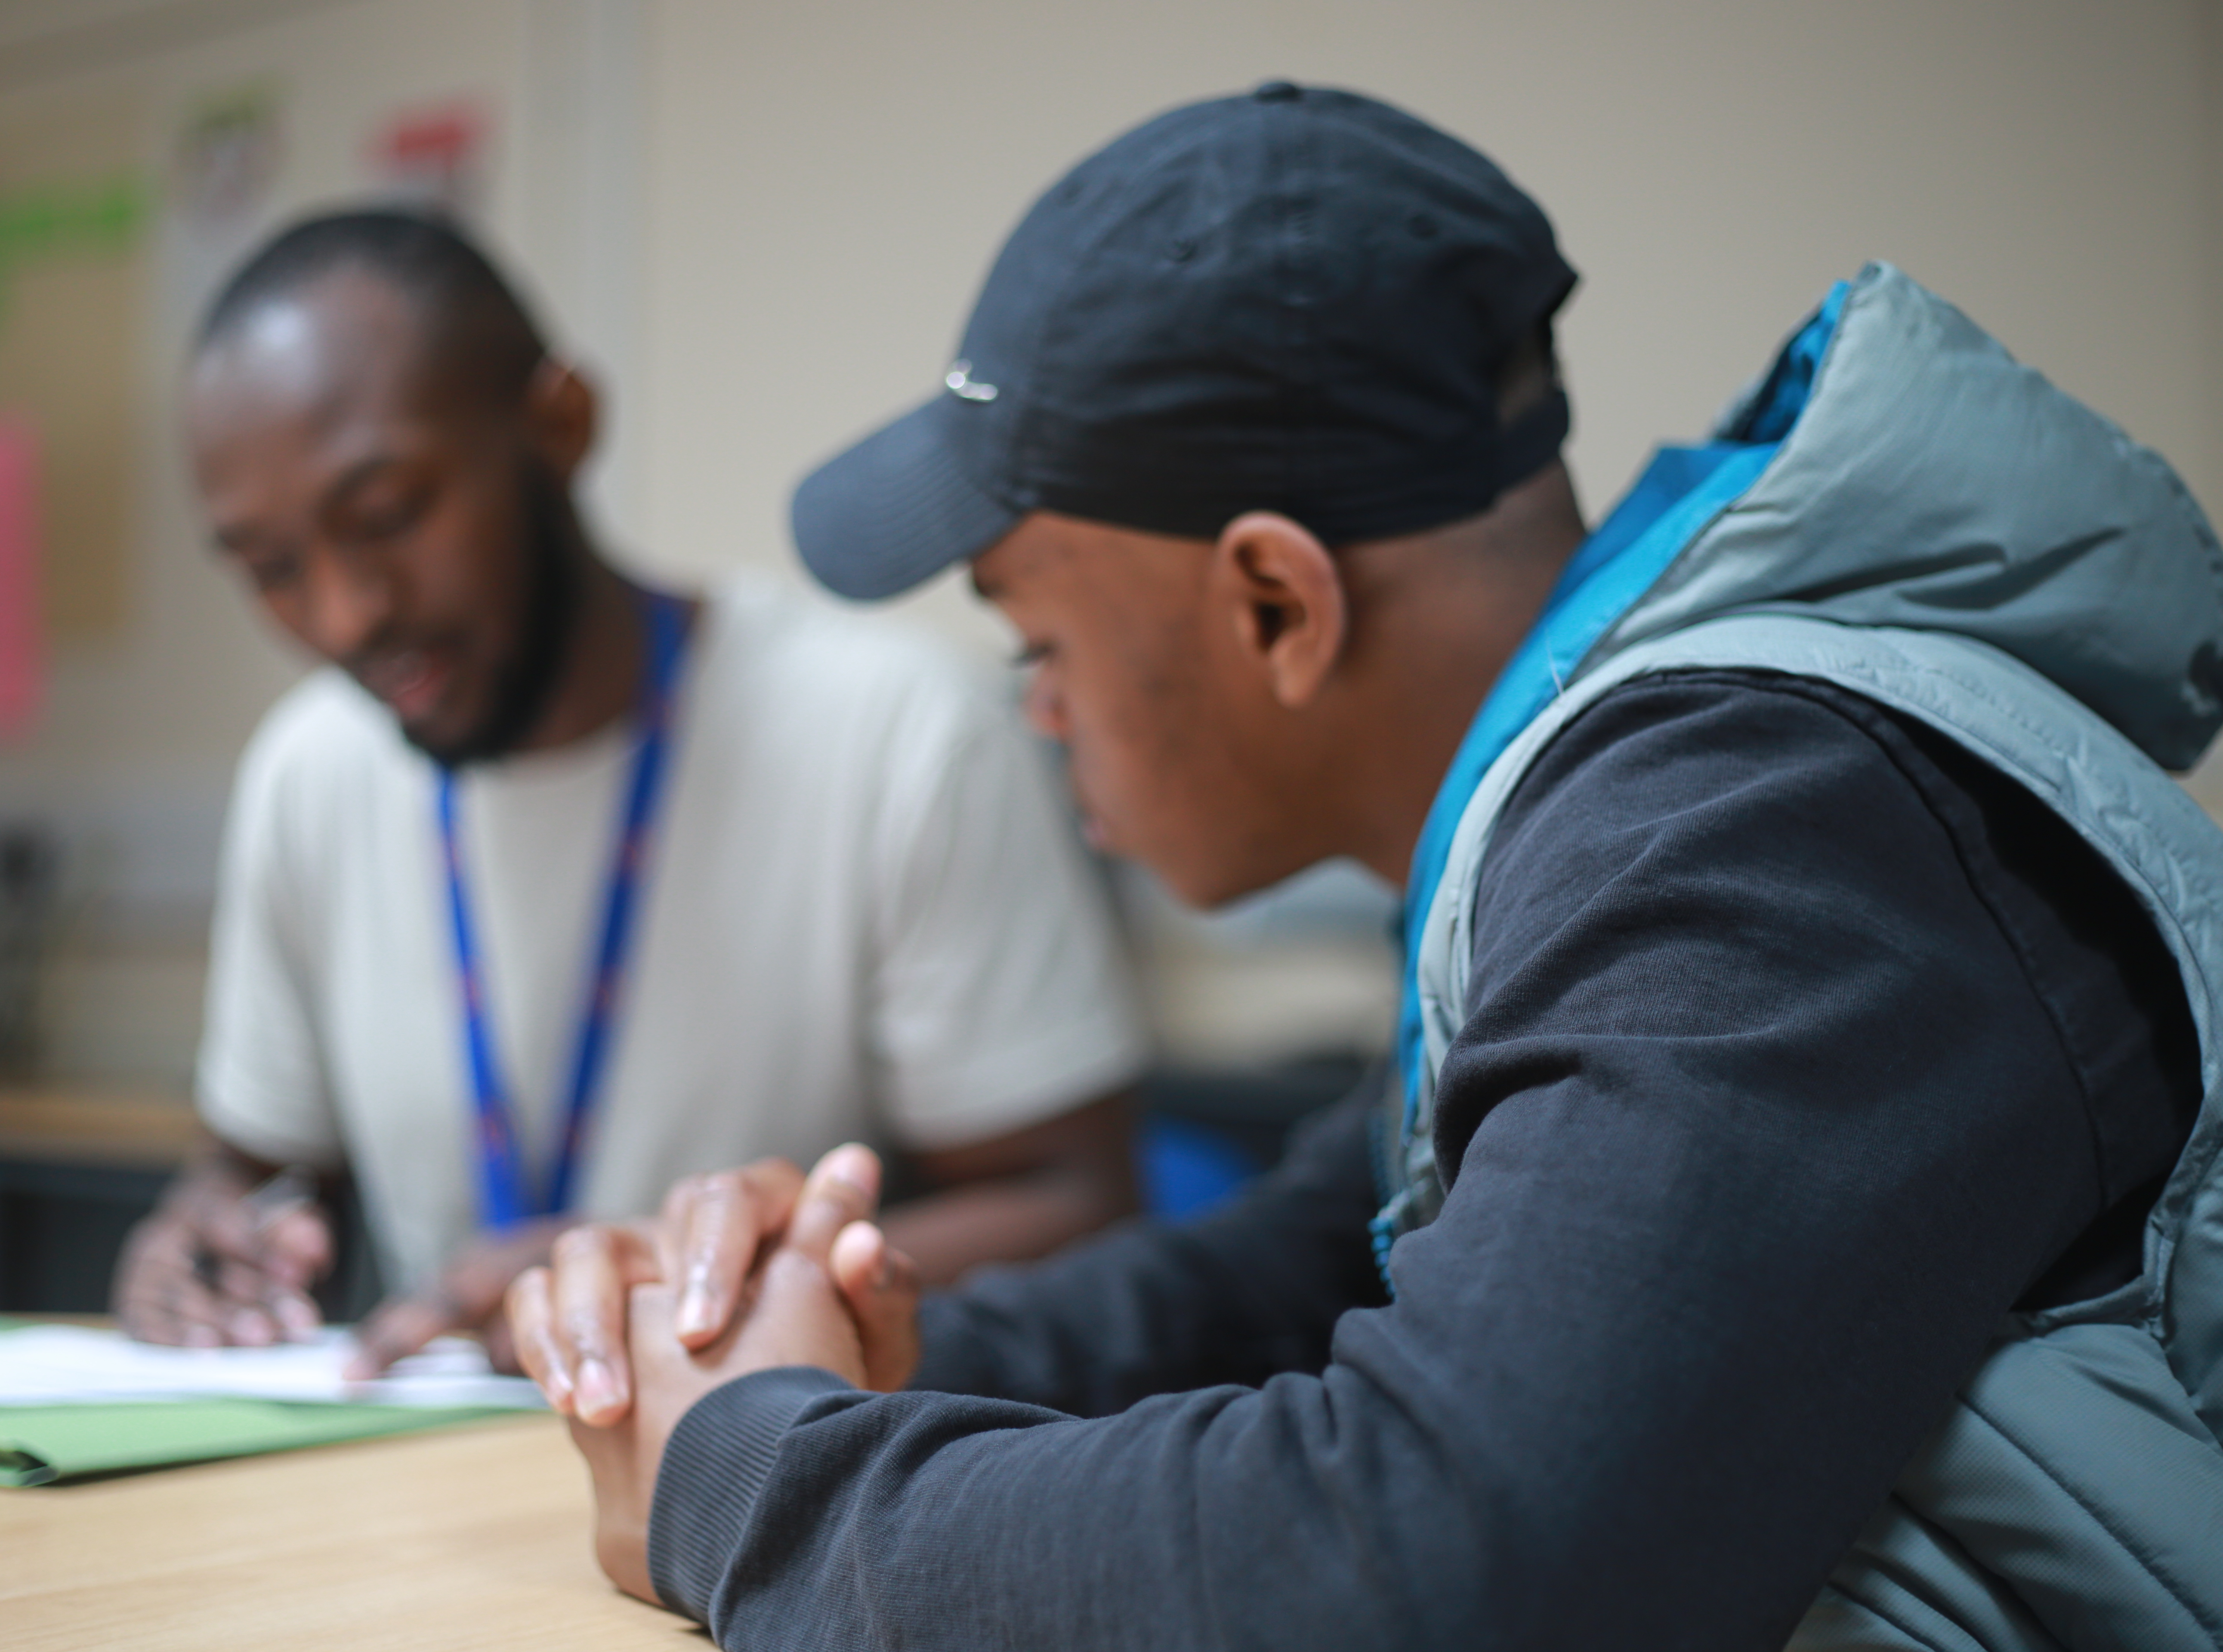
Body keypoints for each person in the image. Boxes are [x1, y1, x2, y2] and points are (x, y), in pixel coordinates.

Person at [508, 83, 2223, 1650]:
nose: (1036, 714)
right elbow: (1296, 1266)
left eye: (1038, 636)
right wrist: (825, 1339)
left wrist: (756, 1479)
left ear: (1276, 604)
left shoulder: (1758, 823)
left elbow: (1443, 1567)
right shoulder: (1622, 817)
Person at [113, 210, 1149, 1376]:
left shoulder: (897, 733)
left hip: (773, 1478)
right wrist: (198, 1244)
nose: (346, 615)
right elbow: (255, 1171)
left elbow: (1076, 1201)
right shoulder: (310, 771)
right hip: (417, 1495)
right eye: (271, 569)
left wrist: (698, 1280)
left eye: (389, 516)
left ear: (562, 424)